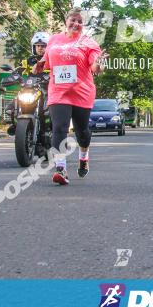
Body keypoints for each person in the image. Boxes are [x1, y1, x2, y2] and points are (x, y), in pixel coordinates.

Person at [37, 10, 105, 185]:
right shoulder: (54, 40)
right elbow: (47, 61)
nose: (76, 23)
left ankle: (84, 157)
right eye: (73, 20)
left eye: (80, 21)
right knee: (59, 127)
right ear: (66, 21)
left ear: (84, 25)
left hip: (82, 92)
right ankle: (61, 169)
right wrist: (40, 65)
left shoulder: (89, 43)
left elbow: (96, 68)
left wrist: (100, 63)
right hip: (58, 92)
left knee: (82, 131)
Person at [7, 31, 50, 136]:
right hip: (30, 89)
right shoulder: (28, 61)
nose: (40, 48)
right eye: (37, 46)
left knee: (53, 109)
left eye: (43, 46)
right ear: (33, 47)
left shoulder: (52, 60)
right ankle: (16, 124)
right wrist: (11, 78)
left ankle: (52, 130)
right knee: (11, 107)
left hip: (47, 90)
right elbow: (18, 71)